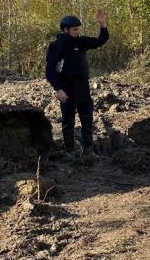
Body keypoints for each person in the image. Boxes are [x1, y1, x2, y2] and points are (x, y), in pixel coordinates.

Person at [45, 9, 109, 159]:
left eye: (79, 29)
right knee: (68, 122)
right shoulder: (56, 46)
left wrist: (103, 25)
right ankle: (70, 153)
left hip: (82, 87)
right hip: (66, 89)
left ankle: (89, 151)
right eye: (75, 30)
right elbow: (50, 71)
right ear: (65, 30)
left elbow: (100, 40)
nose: (77, 32)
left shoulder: (81, 41)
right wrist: (58, 89)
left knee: (87, 120)